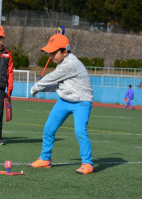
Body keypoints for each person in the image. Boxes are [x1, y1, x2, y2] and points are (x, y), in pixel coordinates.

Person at [28, 34, 94, 174]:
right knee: (48, 128)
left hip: (81, 102)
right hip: (64, 101)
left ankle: (87, 163)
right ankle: (45, 159)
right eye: (49, 53)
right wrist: (42, 88)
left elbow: (51, 78)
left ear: (65, 52)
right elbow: (58, 85)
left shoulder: (70, 64)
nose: (51, 56)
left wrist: (37, 86)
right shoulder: (61, 64)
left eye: (53, 52)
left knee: (80, 131)